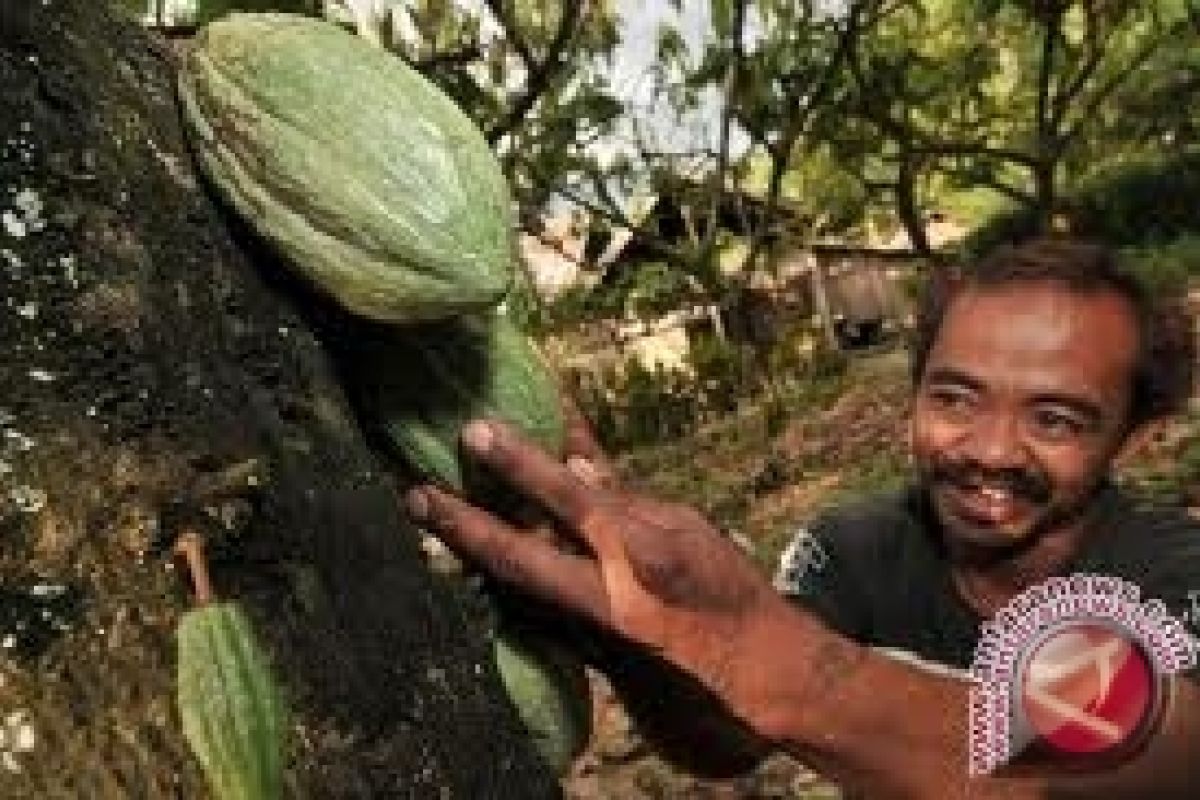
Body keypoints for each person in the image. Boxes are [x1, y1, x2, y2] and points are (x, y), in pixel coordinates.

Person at [404, 238, 1200, 798]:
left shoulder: (1172, 569)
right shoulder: (852, 548)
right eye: (954, 398)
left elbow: (1137, 764)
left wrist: (764, 652)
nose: (990, 449)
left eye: (1055, 420)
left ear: (1138, 433)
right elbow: (730, 744)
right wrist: (646, 641)